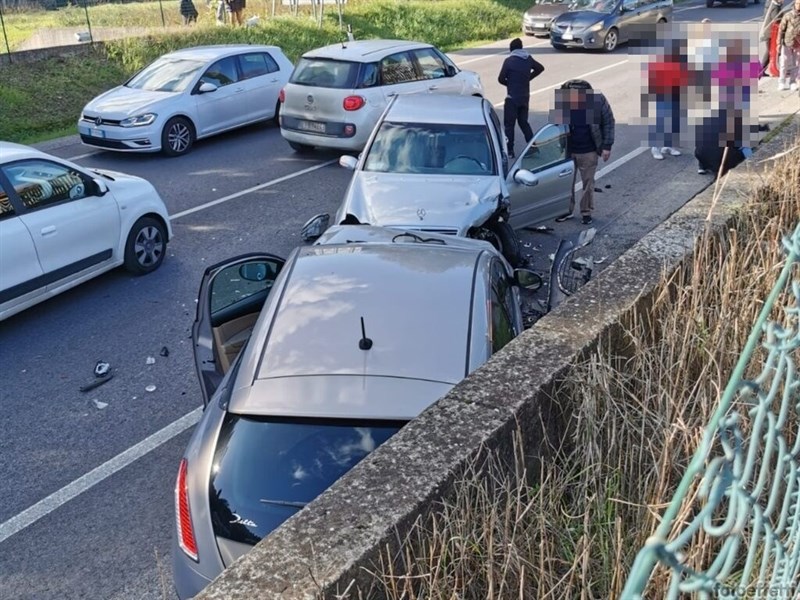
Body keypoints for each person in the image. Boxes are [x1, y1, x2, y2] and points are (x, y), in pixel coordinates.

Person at [553, 79, 615, 226]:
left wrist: (607, 146)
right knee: (566, 183)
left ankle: (586, 212)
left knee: (588, 184)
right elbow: (556, 124)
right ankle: (566, 211)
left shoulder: (597, 100)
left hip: (589, 150)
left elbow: (608, 122)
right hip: (568, 151)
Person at [498, 38, 545, 159]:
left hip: (512, 98)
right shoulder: (528, 58)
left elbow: (501, 78)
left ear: (511, 49)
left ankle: (510, 150)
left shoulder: (509, 61)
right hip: (525, 97)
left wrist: (510, 83)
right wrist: (528, 77)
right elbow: (540, 68)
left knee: (509, 125)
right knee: (524, 122)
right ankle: (533, 147)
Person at [646, 35, 689, 160]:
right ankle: (655, 147)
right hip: (663, 93)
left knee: (675, 121)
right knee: (662, 121)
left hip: (678, 93)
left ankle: (669, 145)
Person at [777, 0, 800, 91]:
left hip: (798, 43)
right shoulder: (788, 15)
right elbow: (781, 30)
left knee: (796, 63)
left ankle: (793, 82)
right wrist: (778, 43)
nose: (798, 6)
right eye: (797, 3)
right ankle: (781, 81)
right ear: (795, 4)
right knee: (784, 62)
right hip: (787, 42)